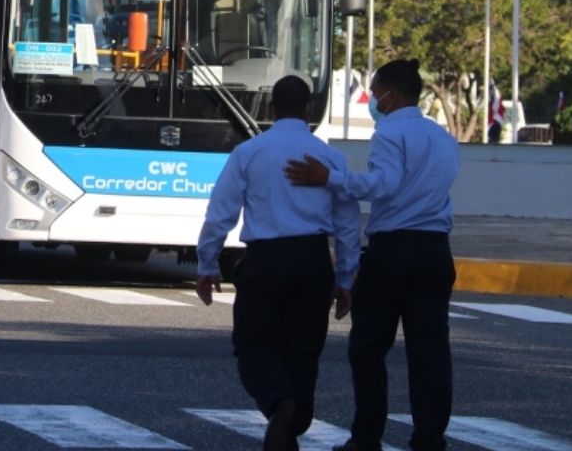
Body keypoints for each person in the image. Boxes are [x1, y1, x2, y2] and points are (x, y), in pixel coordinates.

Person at [284, 59, 460, 451]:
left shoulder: (389, 134)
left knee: (368, 348)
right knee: (430, 351)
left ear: (392, 96)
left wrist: (330, 179)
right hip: (435, 251)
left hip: (394, 251)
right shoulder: (442, 137)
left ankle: (366, 438)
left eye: (374, 93)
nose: (371, 101)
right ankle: (429, 437)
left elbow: (383, 185)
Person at [196, 75, 362, 451]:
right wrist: (346, 278)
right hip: (312, 259)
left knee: (253, 343)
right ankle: (293, 422)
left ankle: (278, 403)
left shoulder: (250, 152)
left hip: (265, 259)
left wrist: (207, 264)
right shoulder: (331, 159)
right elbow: (348, 224)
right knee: (303, 348)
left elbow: (220, 213)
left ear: (271, 109)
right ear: (309, 109)